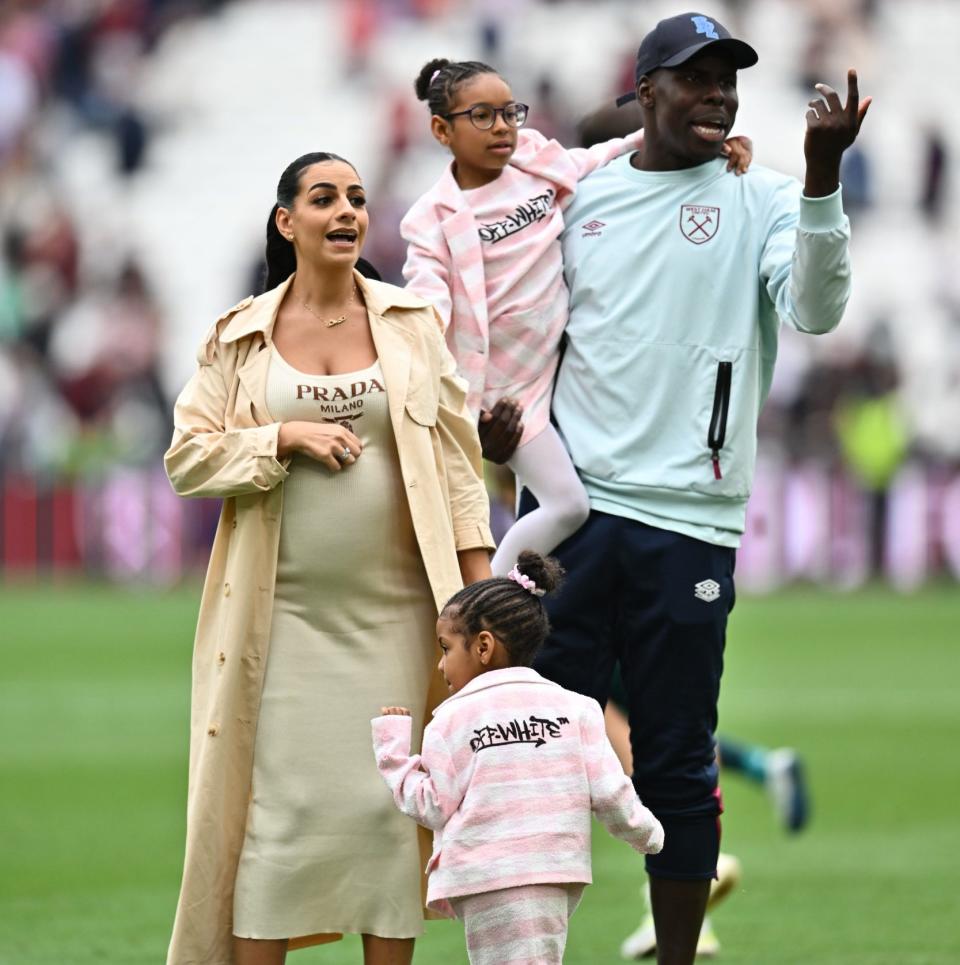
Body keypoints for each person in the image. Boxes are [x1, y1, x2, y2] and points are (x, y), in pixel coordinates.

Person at [523, 12, 870, 965]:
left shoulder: (761, 194)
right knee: (533, 756)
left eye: (728, 78)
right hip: (570, 513)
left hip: (688, 521)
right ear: (647, 94)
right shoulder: (574, 194)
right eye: (695, 77)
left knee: (676, 759)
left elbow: (817, 308)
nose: (718, 92)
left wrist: (821, 179)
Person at [163, 150, 495, 965]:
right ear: (288, 222)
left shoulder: (413, 325)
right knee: (274, 822)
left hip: (400, 618)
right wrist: (281, 436)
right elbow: (187, 458)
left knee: (391, 818)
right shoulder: (238, 337)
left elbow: (458, 468)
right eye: (324, 199)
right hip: (277, 624)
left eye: (356, 198)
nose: (346, 211)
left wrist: (481, 602)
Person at [400, 58, 751, 575]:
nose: (501, 127)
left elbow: (593, 157)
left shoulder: (534, 164)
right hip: (508, 396)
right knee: (567, 505)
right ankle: (483, 599)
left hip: (564, 370)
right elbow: (427, 306)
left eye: (509, 112)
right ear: (440, 129)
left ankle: (487, 600)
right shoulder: (430, 219)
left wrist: (705, 144)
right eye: (481, 115)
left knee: (554, 505)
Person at [370, 551, 665, 965]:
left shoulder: (451, 720)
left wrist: (394, 754)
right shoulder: (576, 708)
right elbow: (611, 792)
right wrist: (648, 834)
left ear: (484, 646)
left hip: (489, 877)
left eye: (445, 648)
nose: (440, 664)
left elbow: (433, 805)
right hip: (556, 873)